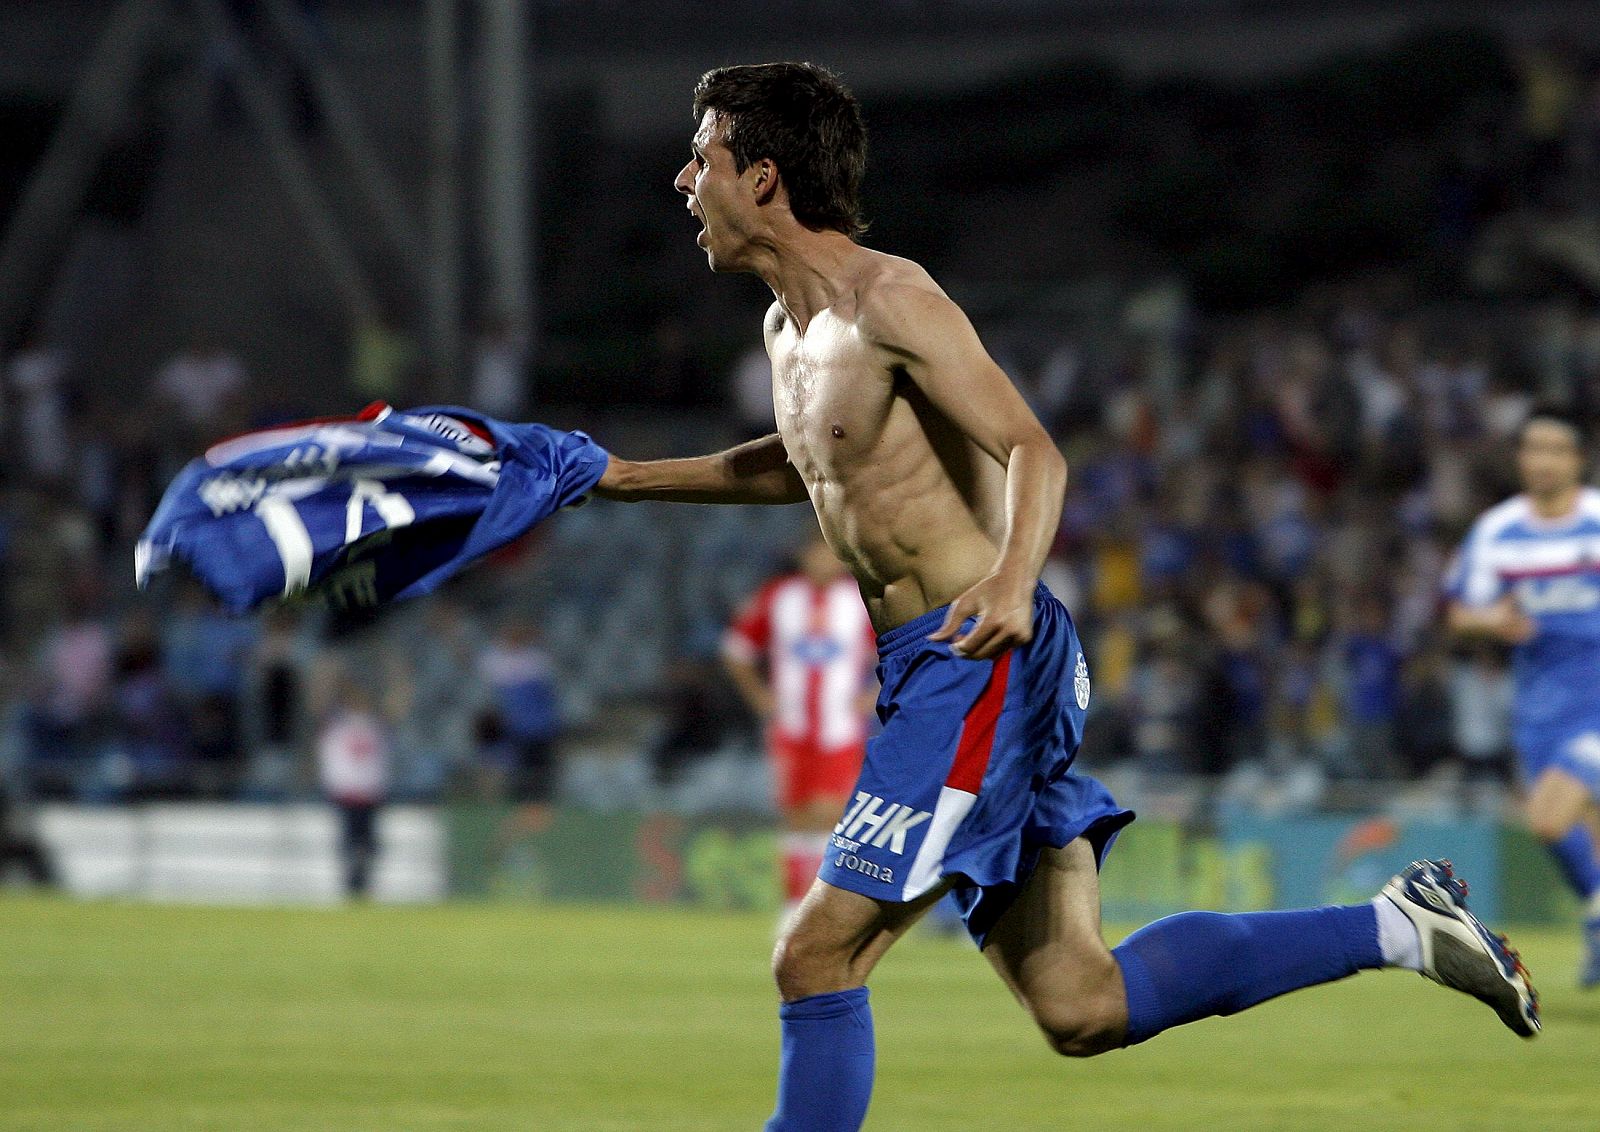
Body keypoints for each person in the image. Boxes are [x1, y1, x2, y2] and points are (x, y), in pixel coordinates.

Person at [600, 62, 1540, 1128]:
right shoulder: (785, 333)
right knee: (1081, 1002)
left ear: (762, 179)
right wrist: (627, 476)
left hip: (975, 654)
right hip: (933, 672)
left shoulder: (891, 299)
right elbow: (807, 463)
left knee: (815, 958)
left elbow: (1029, 449)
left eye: (705, 157)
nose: (684, 178)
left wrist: (1008, 579)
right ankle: (1399, 926)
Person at [1445, 405, 1600, 986]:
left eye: (1556, 450)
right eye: (1533, 448)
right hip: (1539, 706)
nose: (1542, 461)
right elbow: (1460, 614)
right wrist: (1492, 621)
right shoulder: (1497, 531)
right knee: (1581, 828)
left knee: (1547, 820)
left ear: (1578, 459)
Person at [723, 533, 877, 927]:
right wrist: (759, 696)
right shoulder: (779, 596)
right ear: (803, 554)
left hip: (840, 727)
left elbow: (897, 652)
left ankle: (825, 902)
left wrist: (875, 693)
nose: (824, 560)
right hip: (792, 726)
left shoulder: (861, 600)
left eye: (830, 552)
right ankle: (794, 905)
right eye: (816, 550)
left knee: (832, 812)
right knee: (795, 814)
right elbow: (736, 647)